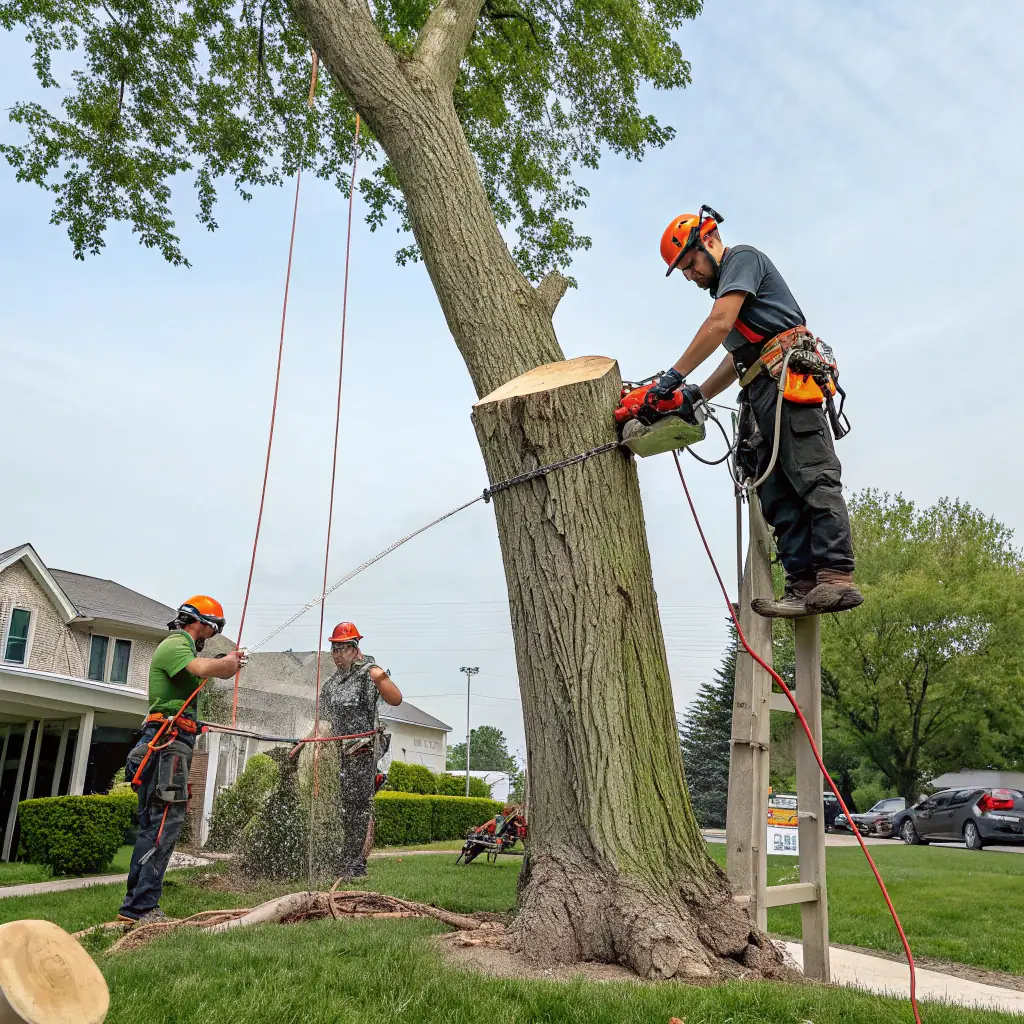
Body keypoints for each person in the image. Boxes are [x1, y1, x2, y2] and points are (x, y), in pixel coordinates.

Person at [649, 206, 863, 618]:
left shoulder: (742, 260)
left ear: (708, 241)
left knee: (812, 475)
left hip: (788, 380)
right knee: (776, 491)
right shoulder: (728, 300)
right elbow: (735, 360)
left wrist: (673, 376)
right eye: (683, 272)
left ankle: (836, 577)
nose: (690, 276)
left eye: (690, 265)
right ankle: (803, 584)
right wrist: (696, 395)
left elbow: (716, 325)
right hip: (759, 389)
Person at [118, 595, 246, 924]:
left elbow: (203, 674)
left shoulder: (184, 649)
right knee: (162, 826)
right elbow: (203, 668)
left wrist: (225, 666)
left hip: (172, 742)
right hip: (166, 743)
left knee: (160, 826)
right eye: (211, 630)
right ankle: (140, 908)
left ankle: (137, 905)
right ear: (201, 623)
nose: (210, 637)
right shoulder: (177, 643)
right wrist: (225, 664)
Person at [318, 621, 402, 877]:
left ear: (355, 649)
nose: (337, 655)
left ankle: (356, 863)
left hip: (364, 749)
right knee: (342, 806)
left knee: (358, 807)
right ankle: (343, 858)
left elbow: (396, 699)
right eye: (334, 650)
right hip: (339, 752)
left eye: (342, 649)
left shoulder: (370, 673)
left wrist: (380, 677)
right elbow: (323, 722)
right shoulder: (331, 686)